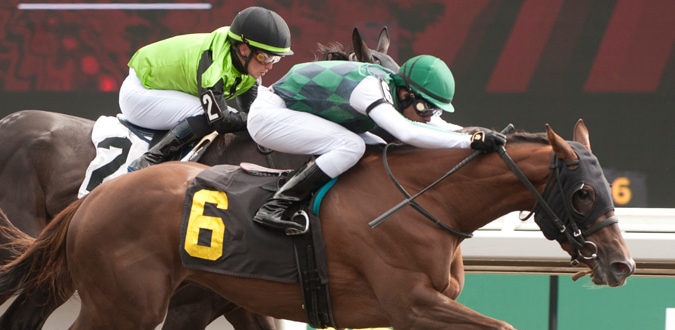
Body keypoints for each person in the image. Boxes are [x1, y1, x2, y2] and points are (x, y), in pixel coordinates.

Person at [247, 54, 507, 234]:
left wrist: (474, 133)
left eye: (434, 111)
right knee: (352, 146)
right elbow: (408, 133)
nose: (429, 117)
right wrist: (468, 141)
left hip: (297, 113)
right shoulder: (369, 89)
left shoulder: (397, 89)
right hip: (269, 116)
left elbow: (439, 127)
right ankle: (275, 206)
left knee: (377, 148)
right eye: (426, 109)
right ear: (406, 94)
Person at [119, 6, 292, 172]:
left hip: (162, 89)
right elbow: (220, 121)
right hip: (139, 93)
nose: (269, 66)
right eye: (265, 57)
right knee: (206, 115)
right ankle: (149, 159)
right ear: (244, 49)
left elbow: (253, 113)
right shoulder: (213, 67)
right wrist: (257, 117)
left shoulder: (246, 64)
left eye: (275, 59)